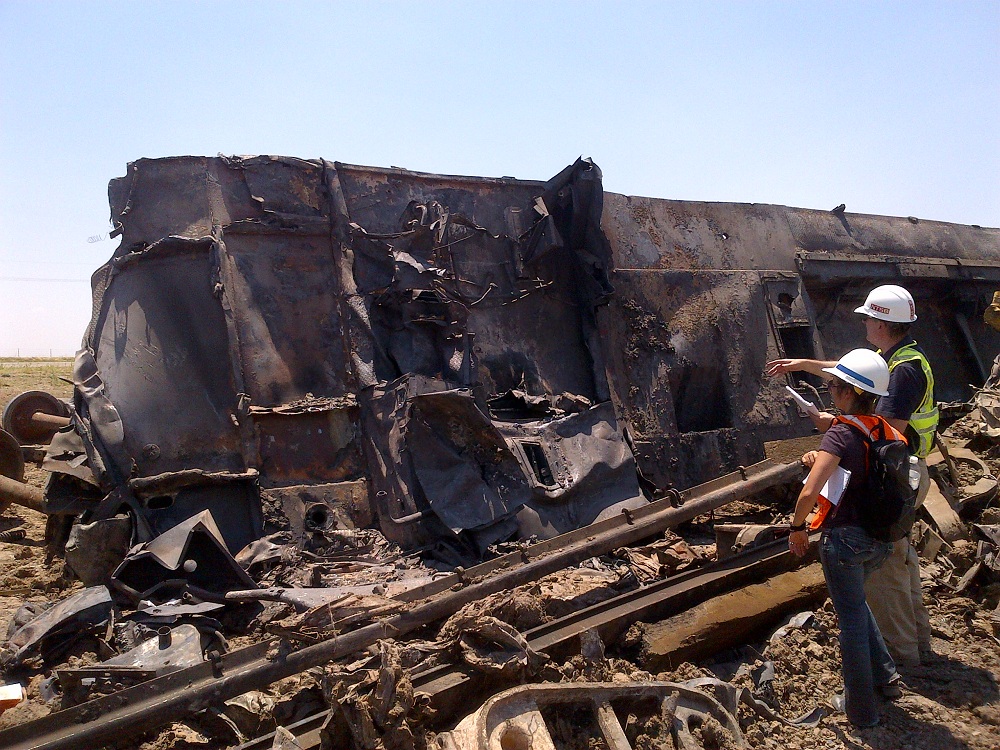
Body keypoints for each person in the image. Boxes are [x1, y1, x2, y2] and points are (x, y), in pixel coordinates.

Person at [767, 284, 936, 668]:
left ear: (880, 322)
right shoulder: (895, 356)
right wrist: (800, 364)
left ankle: (901, 656)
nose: (863, 322)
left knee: (885, 572)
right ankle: (919, 645)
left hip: (893, 475)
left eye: (868, 317)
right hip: (900, 471)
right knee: (900, 557)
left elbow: (883, 432)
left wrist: (836, 426)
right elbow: (846, 370)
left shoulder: (903, 371)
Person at [787, 348, 902, 728]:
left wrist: (797, 528)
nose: (832, 391)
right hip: (880, 541)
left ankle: (861, 711)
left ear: (851, 392)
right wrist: (819, 456)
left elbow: (809, 494)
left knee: (850, 621)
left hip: (846, 541)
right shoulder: (886, 429)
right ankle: (886, 678)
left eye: (835, 386)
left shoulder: (840, 432)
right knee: (856, 604)